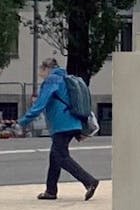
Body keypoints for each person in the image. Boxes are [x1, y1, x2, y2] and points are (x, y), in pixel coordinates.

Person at [16, 58, 100, 201]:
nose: (40, 74)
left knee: (61, 156)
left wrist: (23, 121)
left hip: (62, 124)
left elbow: (40, 104)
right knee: (55, 156)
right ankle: (51, 190)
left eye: (40, 70)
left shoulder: (52, 80)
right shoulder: (65, 78)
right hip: (73, 122)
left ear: (46, 68)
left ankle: (89, 181)